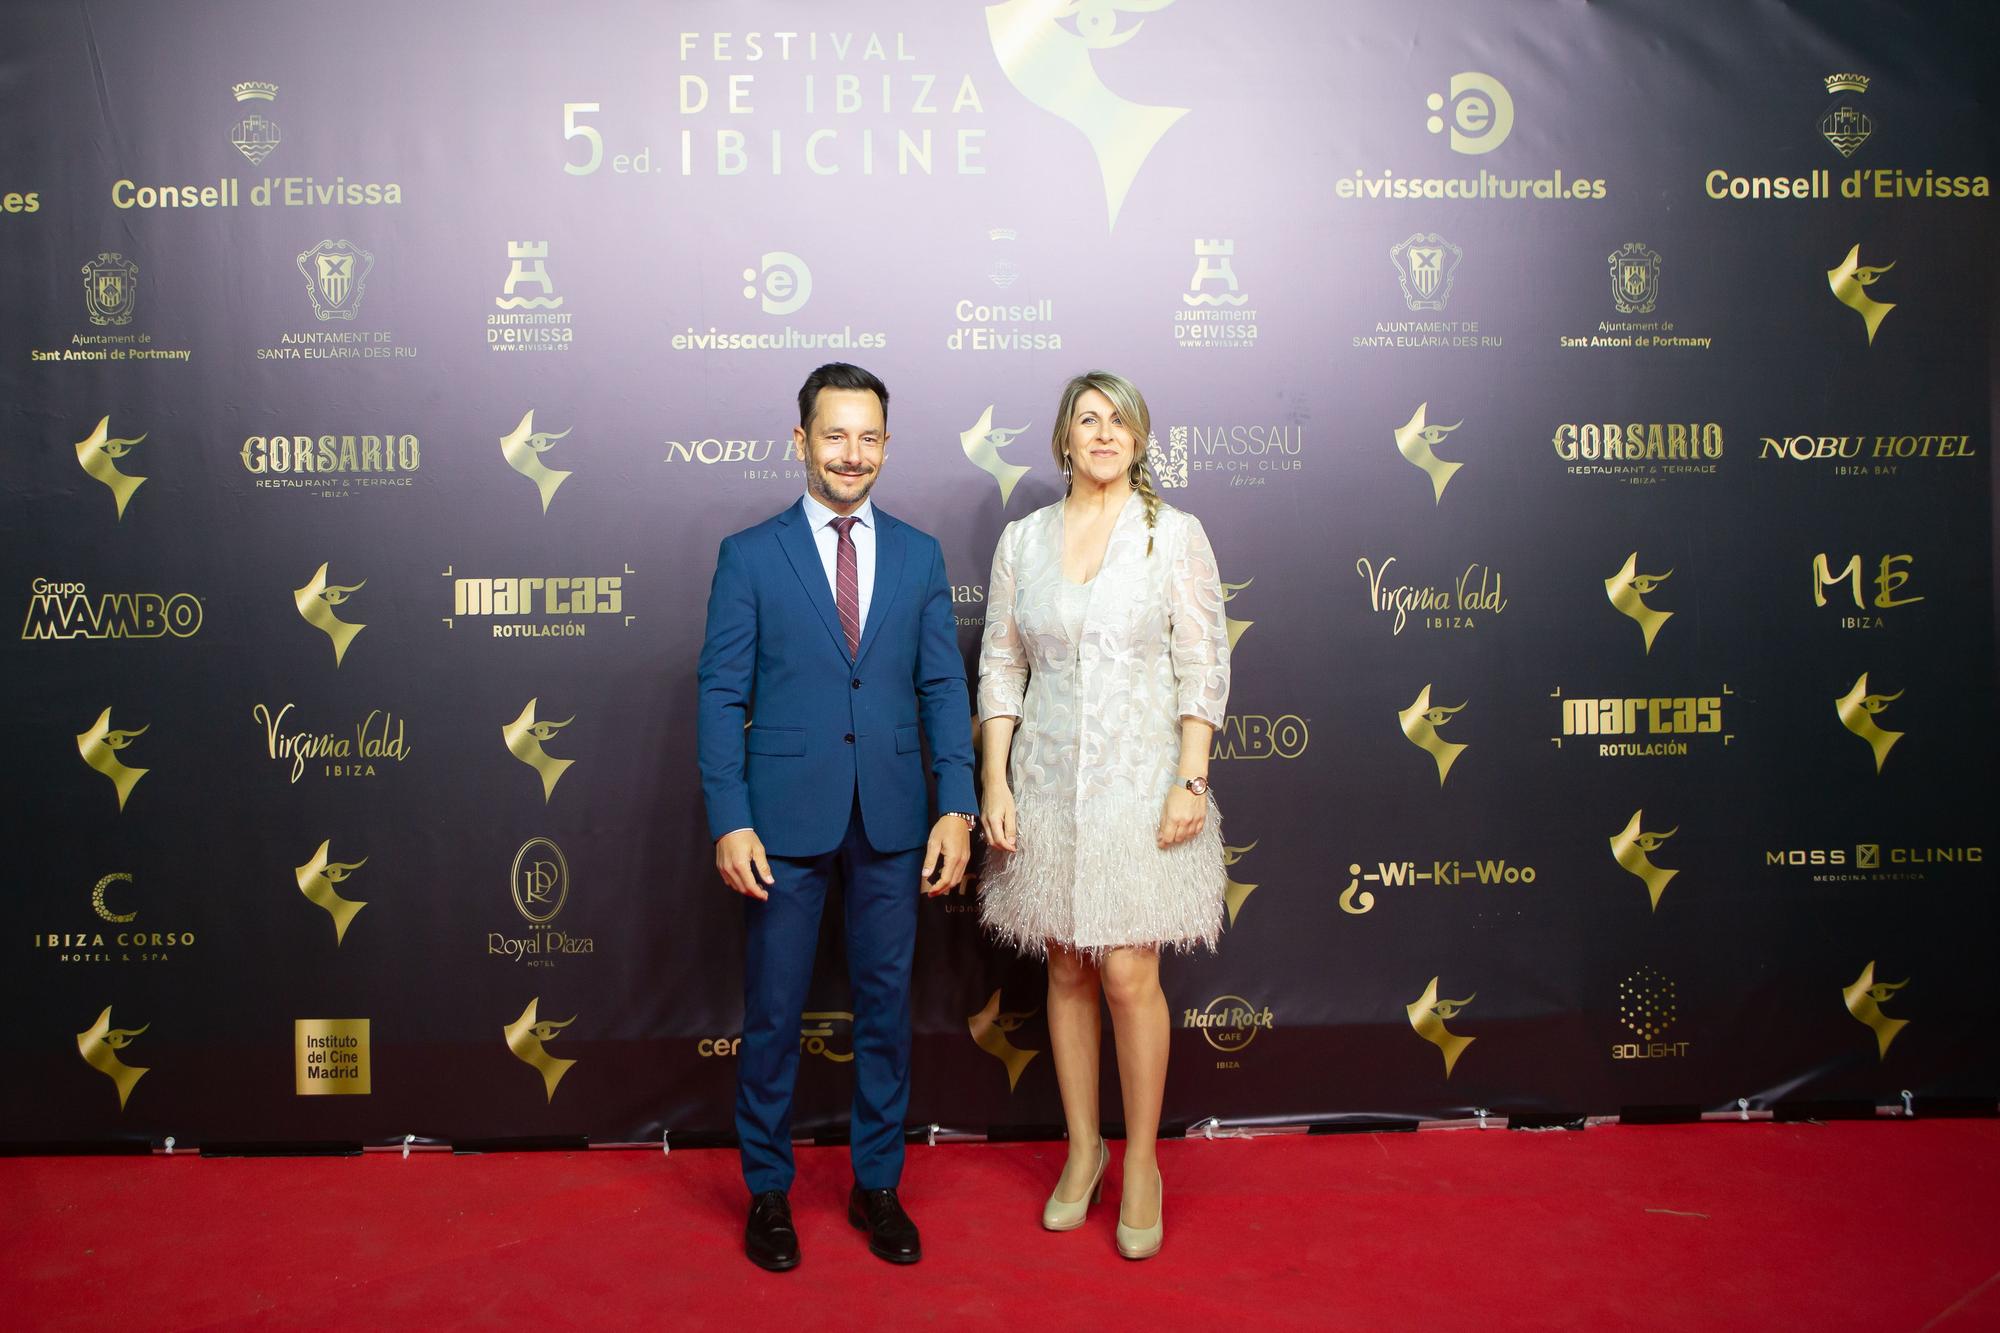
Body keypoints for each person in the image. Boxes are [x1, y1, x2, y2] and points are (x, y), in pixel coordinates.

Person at [697, 362, 977, 1272]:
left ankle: (877, 1184)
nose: (850, 454)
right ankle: (769, 1192)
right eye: (834, 434)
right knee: (775, 1011)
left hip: (896, 819)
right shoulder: (749, 554)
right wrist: (730, 816)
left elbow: (942, 687)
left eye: (868, 437)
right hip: (780, 823)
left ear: (886, 446)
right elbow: (720, 694)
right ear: (801, 441)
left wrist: (957, 806)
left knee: (887, 1011)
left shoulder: (920, 553)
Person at [975, 370, 1230, 1260]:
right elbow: (1002, 668)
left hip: (1142, 786)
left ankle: (1145, 1162)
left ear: (1140, 435)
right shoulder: (1024, 540)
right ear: (1064, 438)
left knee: (1128, 974)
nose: (1104, 431)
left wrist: (1189, 779)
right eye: (1088, 418)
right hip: (1044, 786)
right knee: (1069, 971)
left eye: (1119, 418)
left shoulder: (1176, 535)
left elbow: (1203, 665)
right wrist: (995, 781)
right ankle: (1082, 1151)